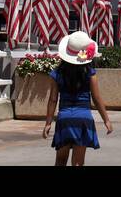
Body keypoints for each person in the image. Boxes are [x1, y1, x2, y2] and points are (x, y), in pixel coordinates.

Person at [42, 30, 113, 166]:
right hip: (83, 119)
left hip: (64, 119)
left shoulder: (57, 73)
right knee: (78, 163)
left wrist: (48, 123)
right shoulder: (90, 73)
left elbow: (52, 99)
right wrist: (106, 120)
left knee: (61, 161)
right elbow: (97, 98)